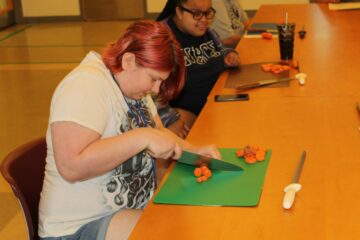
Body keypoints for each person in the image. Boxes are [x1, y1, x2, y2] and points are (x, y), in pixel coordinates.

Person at [38, 20, 221, 240]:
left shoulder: (135, 88)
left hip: (123, 212)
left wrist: (194, 150)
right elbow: (71, 166)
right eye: (154, 79)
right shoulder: (85, 85)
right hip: (76, 229)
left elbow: (160, 134)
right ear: (129, 60)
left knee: (190, 222)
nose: (156, 89)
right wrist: (142, 136)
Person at [156, 0, 240, 138]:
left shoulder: (207, 32)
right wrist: (169, 118)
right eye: (197, 14)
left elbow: (220, 50)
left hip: (218, 101)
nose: (205, 20)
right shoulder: (161, 39)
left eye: (208, 13)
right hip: (187, 111)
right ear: (179, 12)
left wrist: (229, 55)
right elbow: (148, 93)